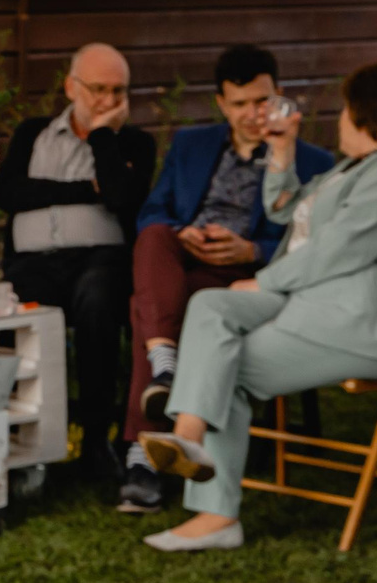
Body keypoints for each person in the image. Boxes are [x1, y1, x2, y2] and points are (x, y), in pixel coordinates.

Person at [135, 61, 377, 550]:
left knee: (223, 364)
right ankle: (188, 432)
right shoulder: (351, 168)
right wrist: (281, 148)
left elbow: (340, 247)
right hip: (306, 302)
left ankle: (216, 517)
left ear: (368, 113)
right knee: (212, 307)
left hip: (357, 322)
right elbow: (285, 210)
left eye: (346, 108)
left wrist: (263, 281)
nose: (340, 118)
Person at [120, 43, 333, 512]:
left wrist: (252, 249)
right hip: (182, 258)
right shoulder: (192, 144)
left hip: (243, 274)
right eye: (239, 104)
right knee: (155, 236)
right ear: (221, 103)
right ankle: (165, 374)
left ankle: (143, 455)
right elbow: (153, 210)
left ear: (278, 95)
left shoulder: (313, 161)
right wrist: (184, 231)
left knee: (149, 309)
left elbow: (312, 244)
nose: (252, 114)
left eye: (261, 101)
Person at [0, 43, 158, 482]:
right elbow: (9, 193)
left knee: (99, 302)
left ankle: (95, 439)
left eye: (117, 91)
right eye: (98, 89)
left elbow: (122, 196)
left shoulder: (135, 143)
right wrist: (87, 190)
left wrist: (104, 136)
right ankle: (23, 441)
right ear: (71, 86)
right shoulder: (33, 132)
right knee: (15, 308)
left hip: (101, 260)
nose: (106, 101)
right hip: (34, 263)